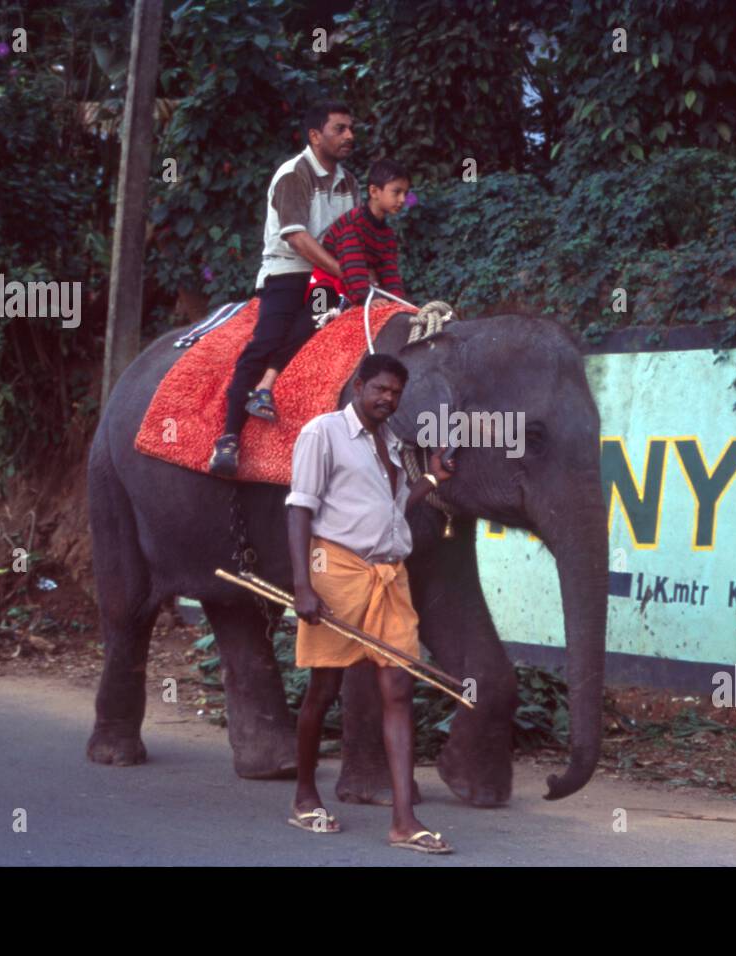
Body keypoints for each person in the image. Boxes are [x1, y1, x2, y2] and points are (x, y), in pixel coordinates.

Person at [284, 352, 456, 853]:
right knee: (323, 688)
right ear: (359, 385)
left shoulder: (392, 443)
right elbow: (300, 509)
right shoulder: (323, 433)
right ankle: (304, 797)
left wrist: (431, 480)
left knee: (398, 689)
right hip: (335, 573)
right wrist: (302, 586)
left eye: (395, 394)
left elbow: (392, 508)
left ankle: (405, 822)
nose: (387, 399)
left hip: (389, 578)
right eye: (380, 389)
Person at [209, 101, 359, 477]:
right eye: (339, 129)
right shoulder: (294, 175)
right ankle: (228, 437)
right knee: (266, 339)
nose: (349, 137)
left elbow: (353, 235)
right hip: (288, 270)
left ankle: (269, 386)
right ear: (314, 135)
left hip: (325, 277)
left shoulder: (350, 181)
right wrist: (344, 271)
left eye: (350, 129)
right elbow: (297, 238)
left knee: (319, 323)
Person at [305, 158, 410, 312]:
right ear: (374, 191)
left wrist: (397, 301)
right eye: (397, 192)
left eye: (405, 194)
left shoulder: (387, 234)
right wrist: (367, 297)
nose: (402, 199)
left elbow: (389, 272)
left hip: (358, 284)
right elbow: (352, 264)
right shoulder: (353, 224)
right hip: (326, 282)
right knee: (316, 322)